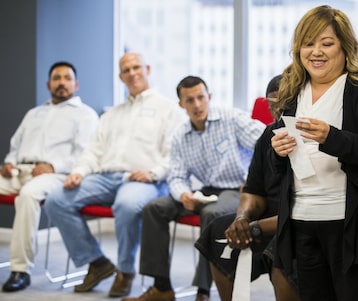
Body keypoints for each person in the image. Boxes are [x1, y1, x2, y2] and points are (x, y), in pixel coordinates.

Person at [269, 5, 358, 301]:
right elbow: (277, 167)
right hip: (302, 219)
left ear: (345, 47)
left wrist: (333, 137)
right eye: (309, 43)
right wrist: (277, 152)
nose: (316, 52)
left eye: (327, 43)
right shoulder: (292, 91)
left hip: (350, 226)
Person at [44, 52, 181, 298]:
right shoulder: (111, 114)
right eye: (126, 70)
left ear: (147, 69)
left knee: (127, 204)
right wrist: (78, 172)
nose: (132, 73)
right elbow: (92, 151)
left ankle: (126, 271)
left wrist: (153, 173)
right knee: (56, 200)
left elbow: (175, 154)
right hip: (105, 177)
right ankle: (97, 262)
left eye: (136, 67)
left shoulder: (169, 109)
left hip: (145, 179)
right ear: (121, 76)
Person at [122, 75, 265, 301]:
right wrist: (183, 195)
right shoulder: (180, 135)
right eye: (190, 100)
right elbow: (176, 175)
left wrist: (252, 179)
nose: (197, 105)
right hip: (203, 191)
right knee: (154, 208)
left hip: (235, 190)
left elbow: (265, 142)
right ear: (181, 104)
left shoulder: (232, 118)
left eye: (201, 97)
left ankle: (203, 290)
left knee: (212, 213)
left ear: (209, 97)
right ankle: (161, 288)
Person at [194, 75, 299, 301]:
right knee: (217, 231)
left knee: (283, 247)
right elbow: (253, 191)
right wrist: (242, 218)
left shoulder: (308, 137)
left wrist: (255, 227)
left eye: (284, 103)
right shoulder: (267, 136)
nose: (278, 111)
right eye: (272, 105)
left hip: (297, 223)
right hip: (265, 218)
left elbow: (301, 210)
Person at [1, 61, 99, 292]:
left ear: (76, 84)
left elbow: (86, 154)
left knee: (27, 195)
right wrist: (8, 162)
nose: (62, 82)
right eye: (57, 78)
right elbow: (15, 146)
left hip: (56, 175)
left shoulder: (85, 115)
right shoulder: (34, 113)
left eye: (67, 78)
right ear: (49, 84)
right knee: (22, 186)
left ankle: (20, 270)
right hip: (19, 171)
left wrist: (53, 166)